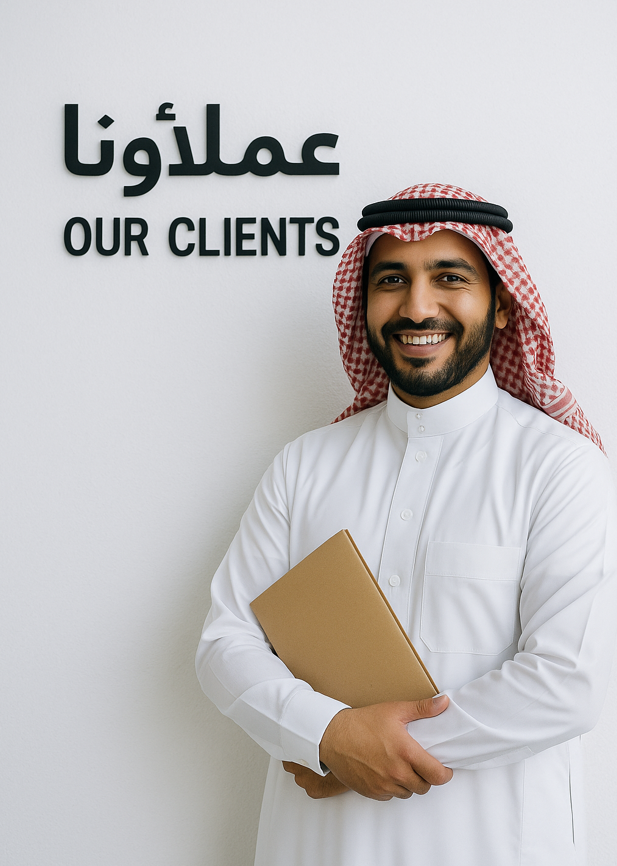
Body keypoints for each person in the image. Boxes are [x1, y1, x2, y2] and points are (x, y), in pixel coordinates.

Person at [195, 183, 617, 866]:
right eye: (391, 280)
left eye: (449, 277)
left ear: (502, 304)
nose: (417, 307)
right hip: (319, 847)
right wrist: (328, 737)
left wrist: (352, 746)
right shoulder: (305, 465)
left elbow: (566, 684)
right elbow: (224, 642)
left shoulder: (559, 467)